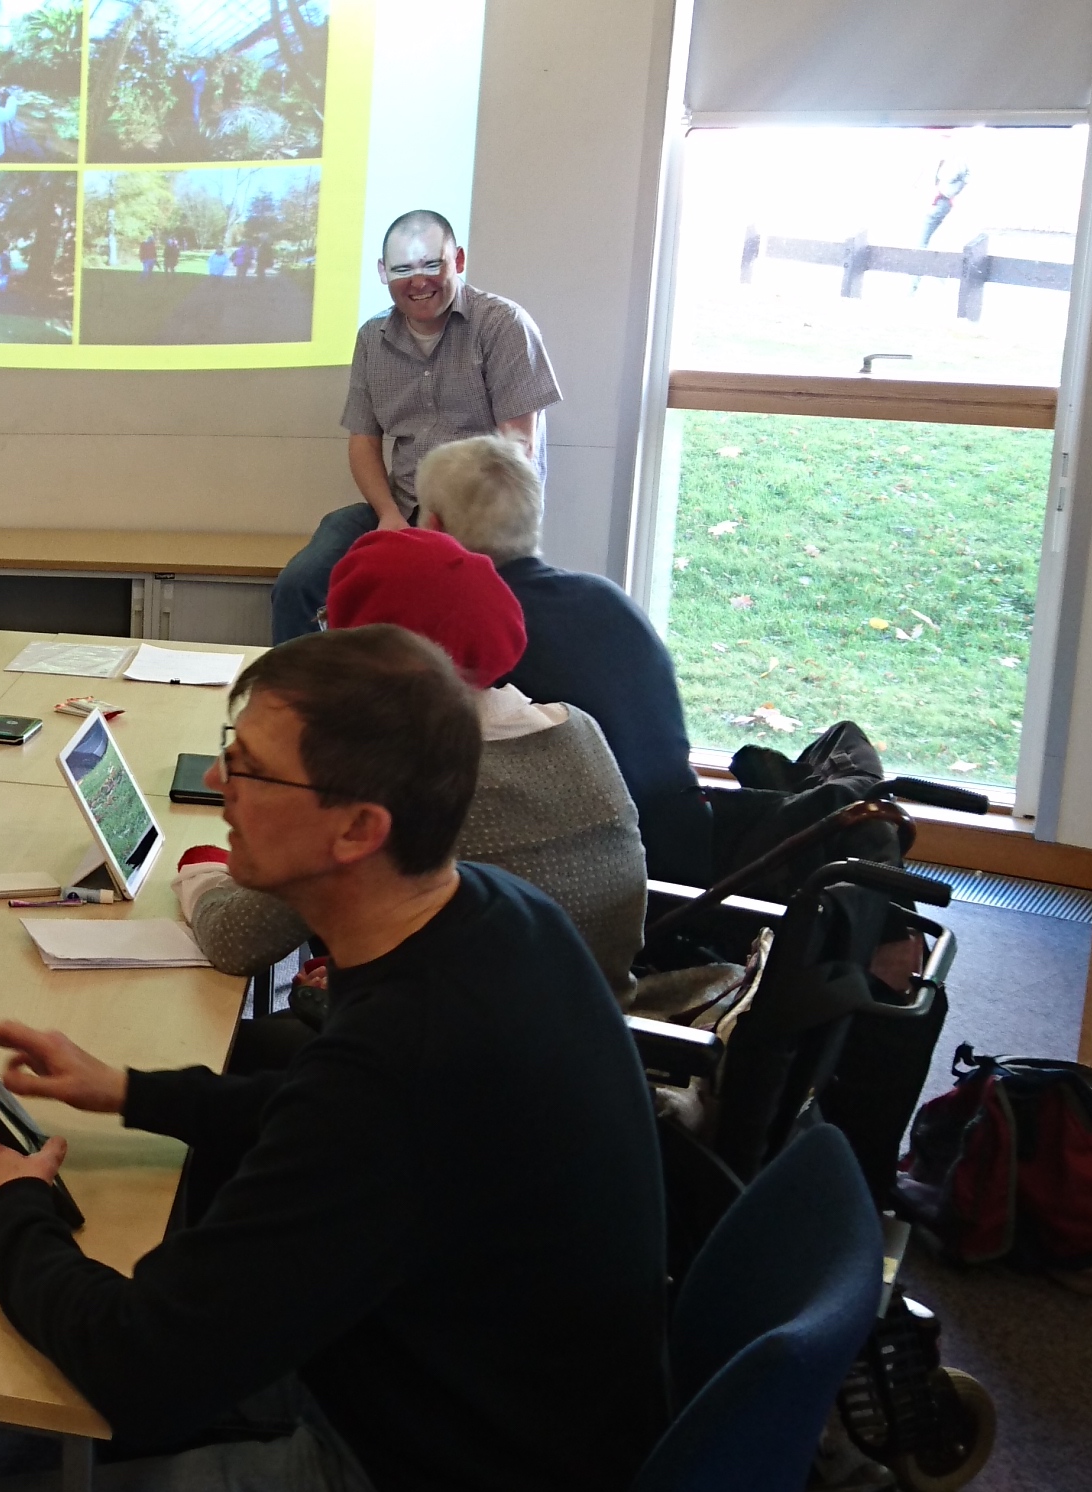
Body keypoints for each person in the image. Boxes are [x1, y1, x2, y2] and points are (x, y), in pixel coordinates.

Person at [0, 625, 668, 1491]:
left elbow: (138, 1364)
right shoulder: (496, 910)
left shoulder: (401, 1065)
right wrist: (130, 1090)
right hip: (511, 1388)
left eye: (250, 768)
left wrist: (14, 1210)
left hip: (428, 1458)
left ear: (356, 830)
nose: (218, 781)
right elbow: (315, 1114)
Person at [182, 527, 646, 995]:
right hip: (600, 1016)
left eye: (331, 627)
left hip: (464, 1049)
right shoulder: (578, 728)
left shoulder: (406, 778)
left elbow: (234, 941)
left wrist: (198, 872)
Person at [417, 434, 714, 883]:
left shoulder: (476, 635)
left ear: (434, 528)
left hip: (600, 879)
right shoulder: (609, 599)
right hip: (688, 848)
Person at [271, 209, 562, 643]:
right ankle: (297, 699)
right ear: (383, 272)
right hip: (401, 507)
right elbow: (364, 440)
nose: (418, 281)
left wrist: (445, 533)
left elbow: (518, 451)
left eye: (432, 264)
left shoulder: (503, 326)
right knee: (302, 580)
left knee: (434, 615)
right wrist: (390, 515)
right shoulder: (373, 337)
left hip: (478, 519)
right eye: (403, 269)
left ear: (458, 260)